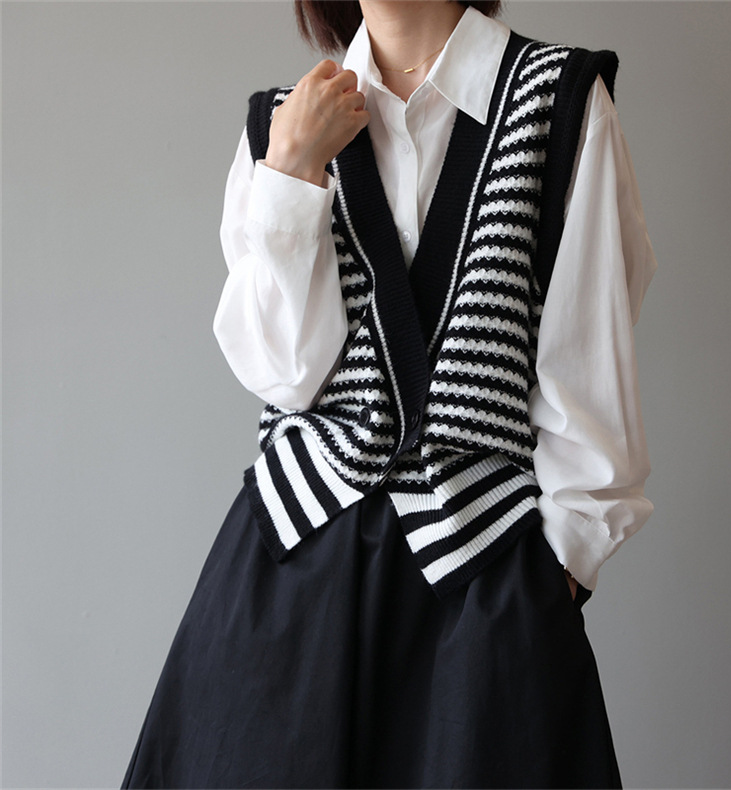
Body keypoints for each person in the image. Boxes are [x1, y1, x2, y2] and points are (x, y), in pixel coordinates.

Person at [122, 1, 656, 787]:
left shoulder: (559, 99)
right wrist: (291, 173)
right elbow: (283, 373)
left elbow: (591, 357)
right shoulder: (283, 125)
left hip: (477, 571)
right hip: (292, 568)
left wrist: (557, 573)